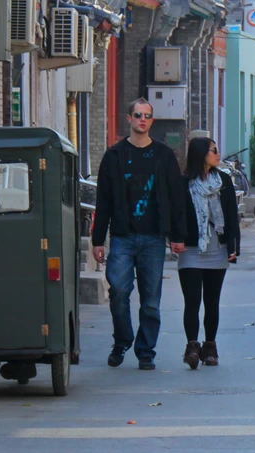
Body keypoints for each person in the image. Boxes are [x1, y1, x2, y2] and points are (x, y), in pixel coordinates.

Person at [92, 97, 187, 371]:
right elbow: (104, 200)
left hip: (153, 238)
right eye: (137, 115)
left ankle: (146, 351)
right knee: (119, 291)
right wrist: (98, 240)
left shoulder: (163, 155)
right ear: (129, 119)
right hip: (122, 236)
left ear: (151, 121)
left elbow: (176, 197)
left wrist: (177, 235)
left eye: (147, 116)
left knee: (151, 300)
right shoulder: (114, 156)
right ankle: (122, 340)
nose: (142, 120)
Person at [178, 137, 240, 369]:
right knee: (192, 301)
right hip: (191, 249)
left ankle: (210, 346)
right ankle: (192, 347)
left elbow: (232, 215)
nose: (217, 154)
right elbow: (178, 213)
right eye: (213, 150)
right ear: (201, 153)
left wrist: (234, 246)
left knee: (212, 301)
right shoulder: (184, 182)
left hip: (218, 248)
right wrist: (176, 238)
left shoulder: (223, 180)